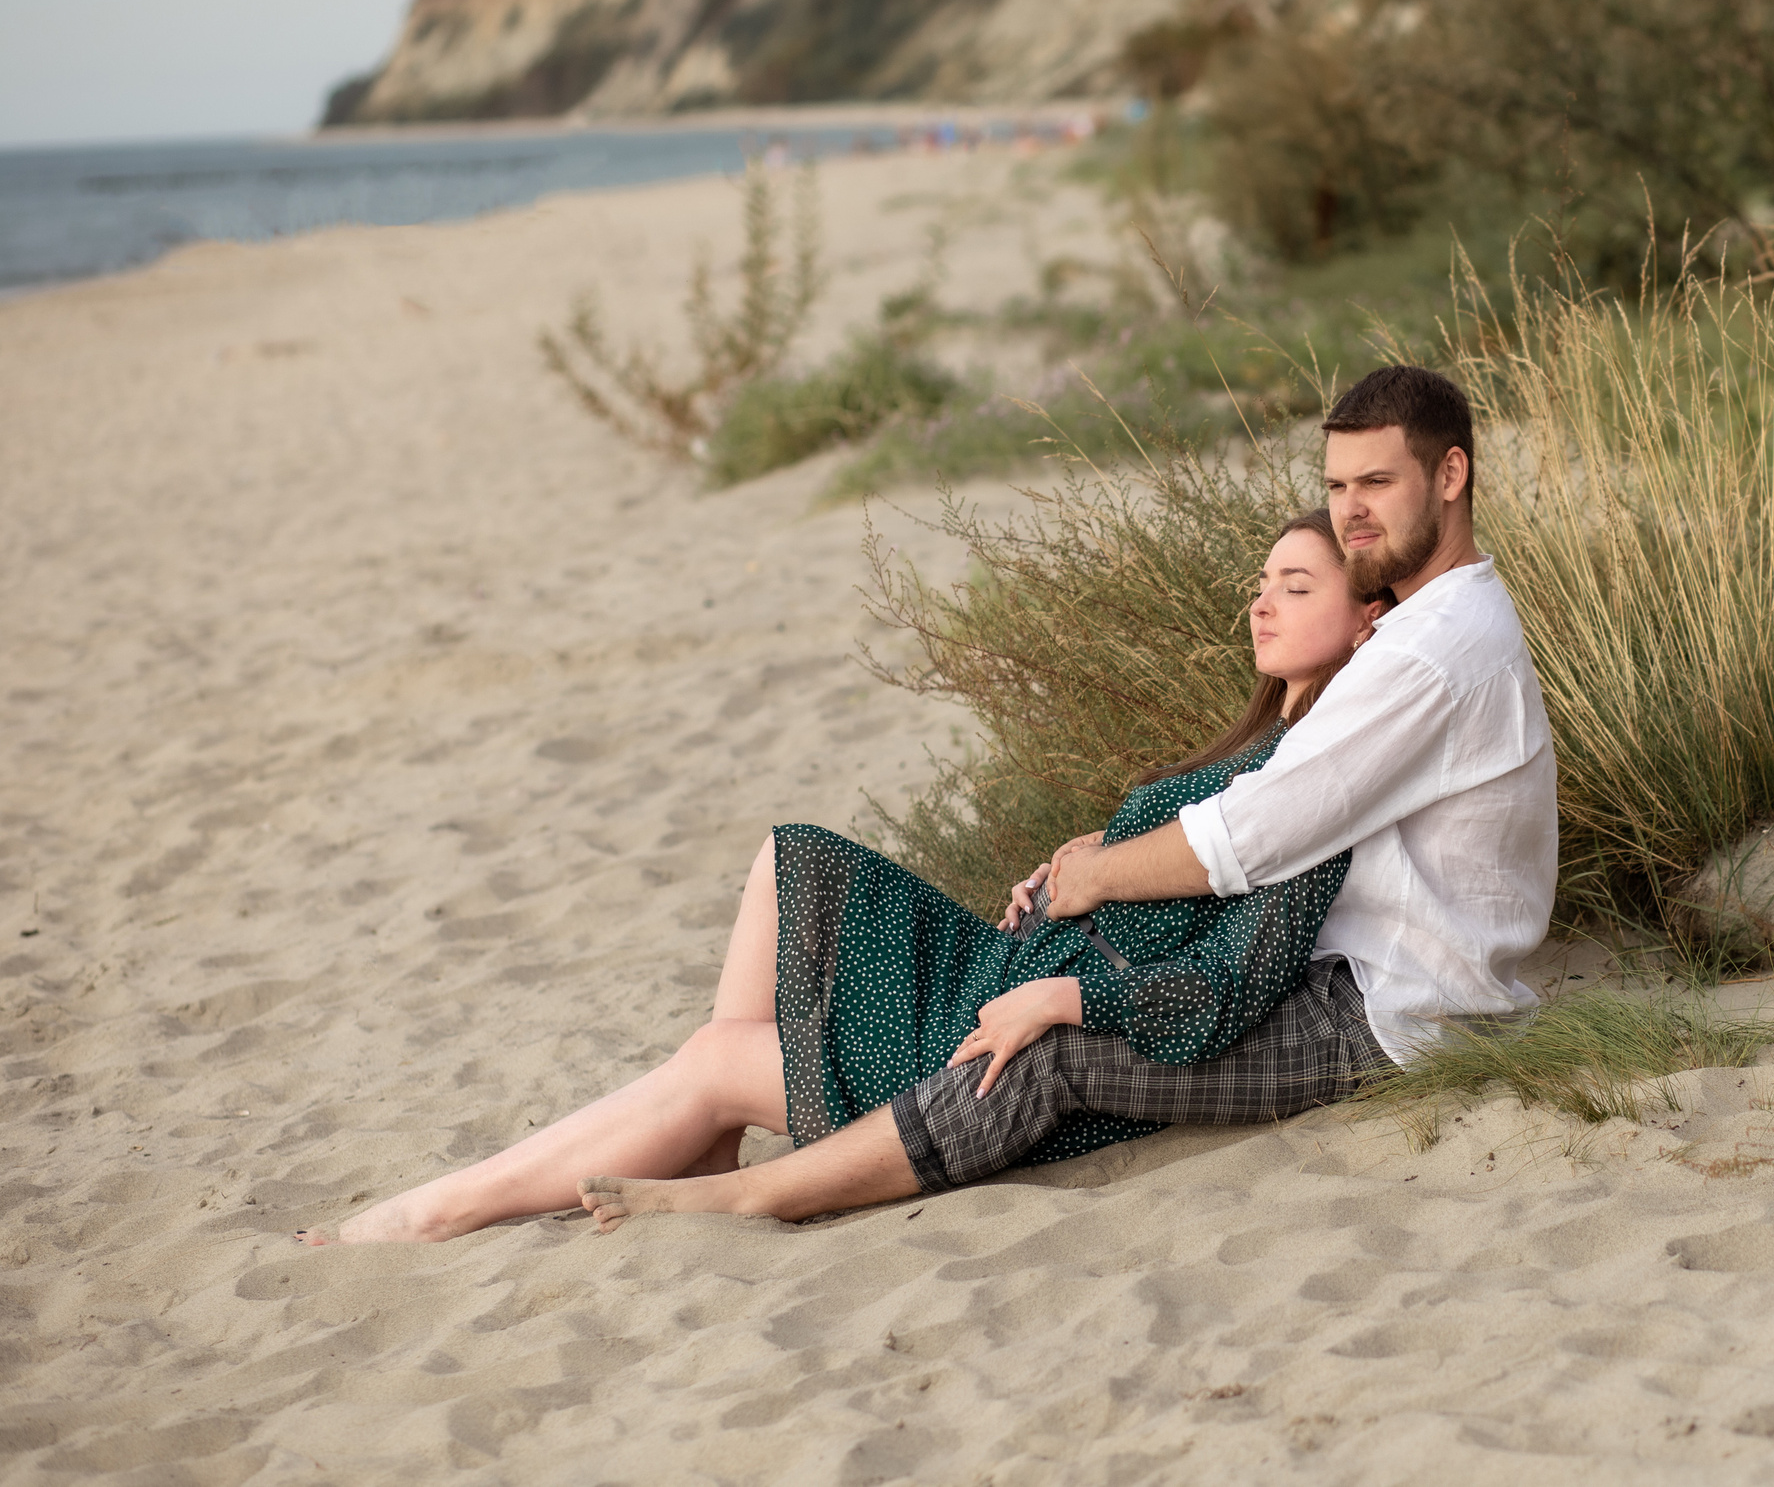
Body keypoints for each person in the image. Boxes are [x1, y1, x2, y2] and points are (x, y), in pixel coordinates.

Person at [573, 363, 1558, 1232]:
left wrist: (1093, 881)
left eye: (1376, 484)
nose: (1351, 511)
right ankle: (765, 1133)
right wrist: (1107, 856)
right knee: (1038, 1005)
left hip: (1397, 1020)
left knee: (1048, 1052)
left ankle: (755, 1193)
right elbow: (1272, 809)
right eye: (1337, 486)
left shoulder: (1428, 655)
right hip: (1371, 972)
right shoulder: (1436, 623)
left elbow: (1250, 837)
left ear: (1451, 475)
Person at [299, 506, 1382, 1244]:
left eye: (1295, 585)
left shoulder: (1321, 779)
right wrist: (1065, 879)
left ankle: (444, 1211)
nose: (1260, 603)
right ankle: (704, 1143)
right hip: (1011, 960)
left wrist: (1066, 986)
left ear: (1370, 616)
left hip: (1031, 1029)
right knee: (792, 859)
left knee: (720, 1058)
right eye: (1260, 584)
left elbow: (1227, 986)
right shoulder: (1254, 743)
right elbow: (1163, 878)